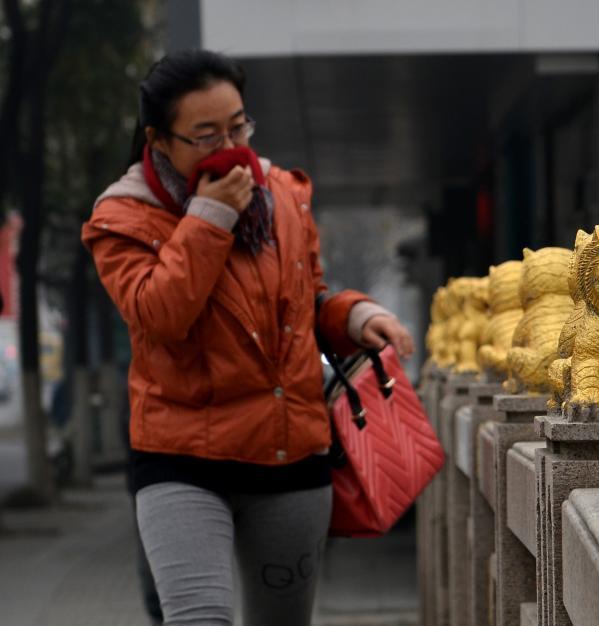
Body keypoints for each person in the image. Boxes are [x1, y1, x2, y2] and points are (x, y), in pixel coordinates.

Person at [81, 49, 414, 626]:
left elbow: (303, 301)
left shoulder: (283, 195)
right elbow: (160, 315)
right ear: (160, 140)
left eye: (238, 127)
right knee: (199, 619)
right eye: (206, 135)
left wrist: (357, 316)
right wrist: (209, 216)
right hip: (180, 459)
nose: (230, 147)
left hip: (287, 455)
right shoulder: (123, 218)